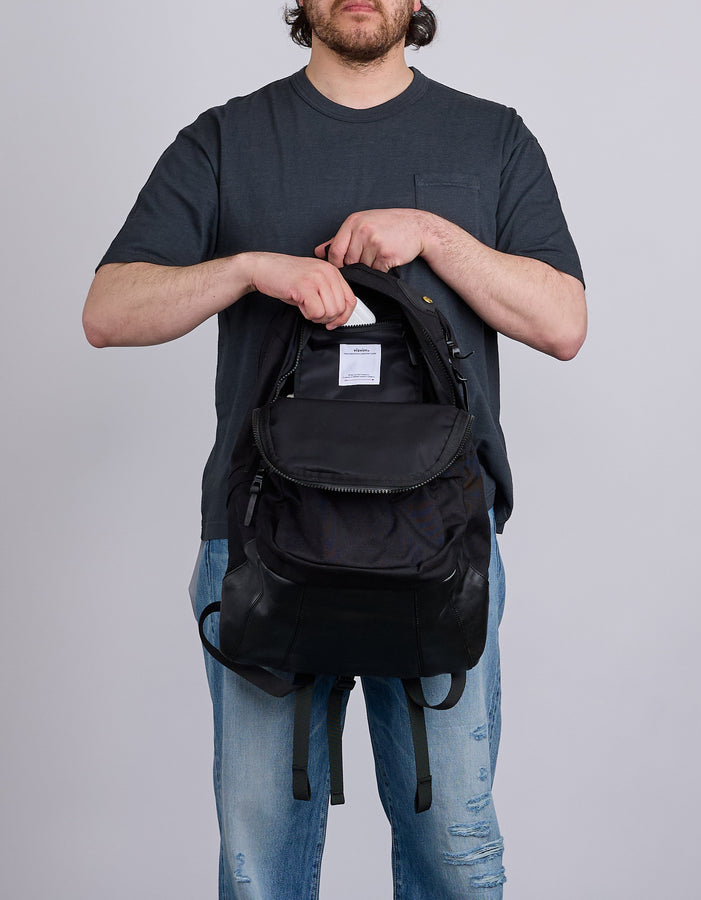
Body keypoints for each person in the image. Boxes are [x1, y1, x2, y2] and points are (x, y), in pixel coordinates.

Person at [83, 1, 587, 897]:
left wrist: (432, 234)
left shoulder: (493, 137)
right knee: (260, 868)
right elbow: (108, 310)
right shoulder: (227, 138)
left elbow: (564, 323)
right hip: (261, 541)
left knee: (456, 856)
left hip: (440, 544)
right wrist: (249, 268)